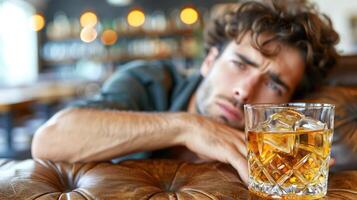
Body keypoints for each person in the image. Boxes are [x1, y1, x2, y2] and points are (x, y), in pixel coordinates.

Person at [31, 0, 339, 184]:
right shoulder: (149, 80)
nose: (243, 91)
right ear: (209, 61)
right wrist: (187, 127)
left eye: (274, 84)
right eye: (240, 64)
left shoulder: (280, 145)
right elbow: (49, 140)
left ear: (287, 102)